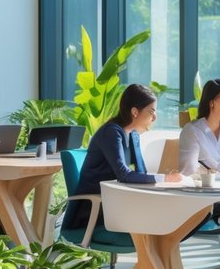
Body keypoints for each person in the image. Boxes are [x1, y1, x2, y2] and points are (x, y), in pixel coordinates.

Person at [67, 83, 183, 246]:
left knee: (167, 228)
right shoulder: (111, 132)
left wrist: (165, 180)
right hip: (94, 211)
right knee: (160, 230)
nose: (155, 117)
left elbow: (141, 173)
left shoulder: (133, 135)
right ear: (135, 112)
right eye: (151, 111)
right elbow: (124, 174)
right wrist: (164, 178)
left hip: (116, 206)